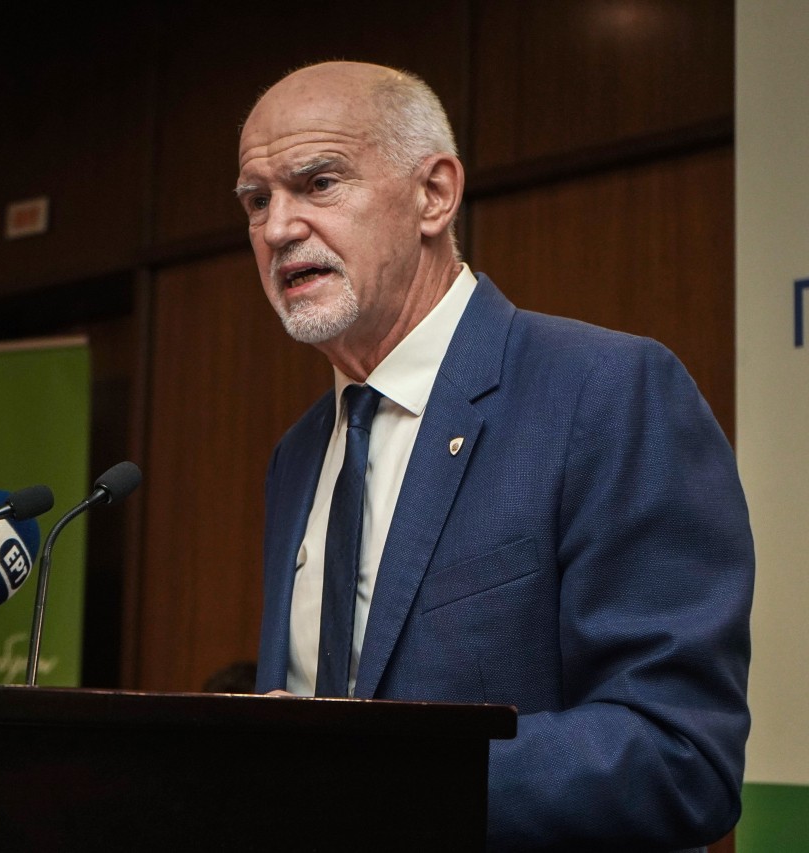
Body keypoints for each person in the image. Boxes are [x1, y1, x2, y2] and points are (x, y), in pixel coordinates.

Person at [237, 62, 753, 851]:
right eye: (256, 200)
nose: (278, 228)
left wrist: (371, 779)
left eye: (319, 183)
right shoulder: (299, 452)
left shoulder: (605, 390)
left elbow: (681, 756)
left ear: (434, 195)